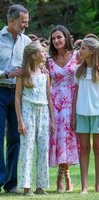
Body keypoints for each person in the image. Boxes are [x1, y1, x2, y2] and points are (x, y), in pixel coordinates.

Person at [0, 4, 31, 196]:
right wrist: (7, 74)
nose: (26, 25)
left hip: (19, 94)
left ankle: (11, 184)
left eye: (27, 22)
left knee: (15, 138)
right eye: (23, 22)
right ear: (11, 21)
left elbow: (33, 66)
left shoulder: (27, 41)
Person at [15, 41, 55, 196]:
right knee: (27, 149)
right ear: (33, 56)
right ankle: (26, 187)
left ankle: (41, 186)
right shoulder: (23, 75)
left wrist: (52, 120)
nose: (45, 54)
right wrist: (20, 121)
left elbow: (49, 97)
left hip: (43, 112)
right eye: (42, 52)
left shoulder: (45, 74)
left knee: (44, 149)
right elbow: (17, 98)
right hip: (28, 112)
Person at [47, 25, 80, 193]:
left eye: (59, 37)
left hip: (72, 101)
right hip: (54, 103)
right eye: (53, 38)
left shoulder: (77, 56)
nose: (56, 40)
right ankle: (63, 174)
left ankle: (64, 174)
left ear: (66, 37)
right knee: (58, 139)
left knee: (67, 139)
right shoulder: (48, 59)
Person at [72, 36, 99, 194]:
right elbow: (76, 94)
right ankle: (84, 187)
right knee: (84, 149)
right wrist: (73, 115)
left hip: (98, 113)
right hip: (82, 113)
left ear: (92, 51)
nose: (79, 51)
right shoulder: (78, 70)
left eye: (83, 48)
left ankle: (97, 185)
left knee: (97, 148)